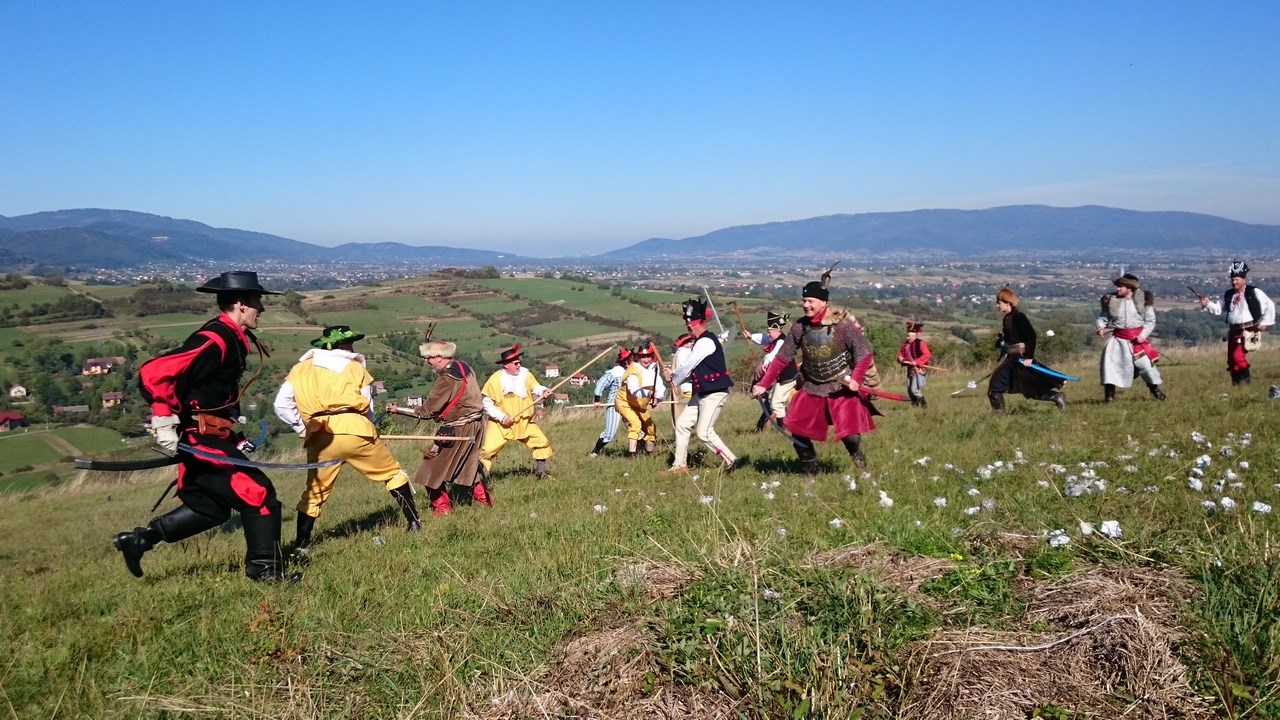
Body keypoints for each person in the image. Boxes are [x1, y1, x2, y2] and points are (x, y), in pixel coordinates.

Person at [114, 271, 297, 582]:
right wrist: (163, 420)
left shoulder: (234, 337)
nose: (261, 309)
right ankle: (264, 570)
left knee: (210, 507)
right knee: (259, 494)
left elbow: (211, 391)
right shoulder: (216, 338)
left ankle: (140, 540)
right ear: (241, 304)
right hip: (200, 439)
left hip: (213, 435)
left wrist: (232, 430)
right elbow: (153, 372)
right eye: (257, 302)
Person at [274, 325, 420, 557]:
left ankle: (301, 545)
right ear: (339, 345)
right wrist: (370, 429)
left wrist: (303, 427)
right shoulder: (355, 367)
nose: (352, 347)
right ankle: (414, 523)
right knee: (392, 474)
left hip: (320, 436)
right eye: (349, 342)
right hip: (355, 429)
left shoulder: (299, 369)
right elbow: (368, 406)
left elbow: (281, 405)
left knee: (314, 493)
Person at [752, 265, 879, 475]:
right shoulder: (799, 327)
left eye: (810, 301)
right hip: (811, 387)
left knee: (850, 436)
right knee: (797, 430)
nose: (806, 305)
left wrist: (856, 378)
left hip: (841, 388)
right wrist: (763, 384)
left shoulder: (842, 327)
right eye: (804, 301)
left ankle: (859, 460)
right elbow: (782, 358)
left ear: (824, 303)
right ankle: (811, 472)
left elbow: (864, 353)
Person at [387, 340, 488, 517]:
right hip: (476, 425)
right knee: (467, 465)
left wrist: (399, 409)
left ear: (440, 357)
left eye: (429, 357)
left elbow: (426, 411)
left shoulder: (447, 379)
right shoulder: (464, 367)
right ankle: (484, 502)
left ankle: (442, 509)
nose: (427, 362)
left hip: (459, 428)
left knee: (430, 468)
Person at [665, 299, 738, 471]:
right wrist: (673, 376)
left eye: (690, 324)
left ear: (696, 324)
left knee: (704, 433)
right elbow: (693, 372)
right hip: (702, 393)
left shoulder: (705, 342)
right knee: (682, 425)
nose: (688, 327)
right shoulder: (702, 342)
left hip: (714, 393)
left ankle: (732, 461)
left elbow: (687, 368)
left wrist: (673, 379)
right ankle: (679, 466)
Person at [478, 345, 554, 478]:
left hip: (525, 421)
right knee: (488, 451)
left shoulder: (526, 374)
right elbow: (487, 403)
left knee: (541, 442)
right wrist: (501, 417)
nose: (519, 365)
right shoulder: (495, 380)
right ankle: (479, 480)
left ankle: (541, 473)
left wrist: (543, 391)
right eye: (516, 363)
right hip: (501, 424)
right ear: (506, 365)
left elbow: (535, 387)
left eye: (519, 362)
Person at [988, 287, 1066, 413]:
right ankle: (999, 416)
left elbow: (1031, 336)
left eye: (999, 302)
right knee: (996, 386)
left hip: (1021, 359)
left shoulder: (1019, 317)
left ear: (1007, 303)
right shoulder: (1007, 317)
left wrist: (1029, 358)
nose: (997, 305)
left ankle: (1057, 397)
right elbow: (1013, 337)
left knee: (1029, 387)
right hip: (1011, 359)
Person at [1200, 261, 1275, 385]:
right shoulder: (1229, 294)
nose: (1234, 282)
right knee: (1231, 360)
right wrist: (1207, 304)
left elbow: (1270, 305)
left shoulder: (1253, 292)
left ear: (1244, 279)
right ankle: (1237, 386)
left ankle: (1245, 384)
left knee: (1238, 357)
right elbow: (1219, 308)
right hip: (1233, 331)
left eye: (1237, 279)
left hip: (1248, 331)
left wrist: (1264, 323)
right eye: (1233, 280)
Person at [1095, 273, 1166, 402]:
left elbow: (1150, 321)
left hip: (1137, 342)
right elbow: (1103, 318)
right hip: (1117, 341)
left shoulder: (1142, 300)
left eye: (1120, 287)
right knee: (1110, 367)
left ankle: (1155, 391)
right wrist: (1100, 327)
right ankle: (1109, 397)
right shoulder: (1111, 301)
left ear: (1129, 288)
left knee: (1146, 366)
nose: (1117, 289)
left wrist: (1142, 335)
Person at [742, 311, 797, 430]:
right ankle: (774, 427)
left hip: (787, 377)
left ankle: (784, 429)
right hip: (781, 378)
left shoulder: (782, 341)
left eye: (769, 332)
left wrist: (766, 363)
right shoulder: (775, 339)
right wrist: (751, 336)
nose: (768, 334)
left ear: (777, 330)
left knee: (775, 403)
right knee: (773, 401)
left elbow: (774, 355)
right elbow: (763, 338)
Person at [615, 344, 667, 458]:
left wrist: (657, 398)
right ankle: (631, 456)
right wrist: (648, 393)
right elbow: (634, 390)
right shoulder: (633, 370)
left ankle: (649, 455)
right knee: (635, 424)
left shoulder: (654, 368)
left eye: (648, 356)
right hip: (625, 403)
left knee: (651, 428)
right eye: (643, 357)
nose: (646, 360)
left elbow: (660, 386)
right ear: (638, 358)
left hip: (640, 405)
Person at [663, 334, 699, 474]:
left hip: (683, 391)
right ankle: (683, 461)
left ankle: (683, 460)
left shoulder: (681, 353)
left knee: (683, 426)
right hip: (686, 392)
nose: (692, 344)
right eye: (690, 342)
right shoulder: (684, 353)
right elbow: (687, 371)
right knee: (684, 426)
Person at [588, 348, 631, 457]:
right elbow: (601, 384)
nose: (630, 361)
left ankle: (636, 453)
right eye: (628, 360)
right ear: (624, 361)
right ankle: (595, 452)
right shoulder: (615, 372)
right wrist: (597, 400)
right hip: (614, 405)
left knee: (636, 429)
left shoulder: (634, 371)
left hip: (629, 405)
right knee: (609, 434)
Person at [896, 321, 932, 408]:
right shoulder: (906, 344)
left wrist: (917, 361)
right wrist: (900, 358)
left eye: (909, 336)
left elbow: (927, 354)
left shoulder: (921, 343)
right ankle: (915, 406)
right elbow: (901, 354)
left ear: (914, 335)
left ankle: (923, 406)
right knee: (909, 390)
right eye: (907, 335)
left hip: (918, 369)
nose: (907, 337)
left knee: (914, 390)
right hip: (910, 369)